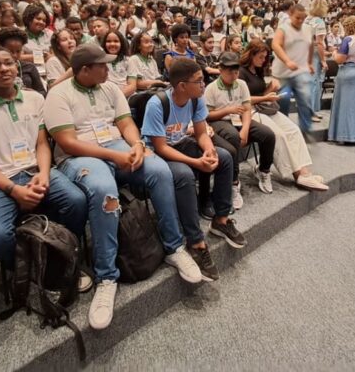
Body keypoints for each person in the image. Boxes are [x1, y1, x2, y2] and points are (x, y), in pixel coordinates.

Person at [44, 45, 201, 330]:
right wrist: (115, 156)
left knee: (159, 170)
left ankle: (174, 247)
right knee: (104, 190)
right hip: (78, 156)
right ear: (84, 70)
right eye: (102, 66)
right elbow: (68, 142)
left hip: (115, 145)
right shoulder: (58, 94)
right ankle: (107, 276)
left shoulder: (110, 89)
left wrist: (137, 144)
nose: (109, 69)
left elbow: (126, 123)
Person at [0, 47, 88, 284]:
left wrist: (44, 174)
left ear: (17, 66)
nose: (4, 69)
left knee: (76, 201)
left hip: (34, 170)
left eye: (8, 63)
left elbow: (41, 144)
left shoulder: (35, 99)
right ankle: (28, 268)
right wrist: (14, 190)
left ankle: (62, 256)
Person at [142, 58, 246, 281]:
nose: (203, 85)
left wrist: (209, 150)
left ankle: (221, 220)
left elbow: (200, 133)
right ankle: (195, 241)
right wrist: (196, 162)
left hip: (181, 143)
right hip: (159, 153)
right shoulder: (157, 104)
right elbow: (160, 147)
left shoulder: (196, 99)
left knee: (224, 157)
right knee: (184, 174)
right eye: (198, 81)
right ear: (182, 85)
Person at [239, 40, 326, 191]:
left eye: (265, 57)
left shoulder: (258, 70)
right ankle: (298, 175)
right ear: (251, 55)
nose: (263, 60)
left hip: (263, 107)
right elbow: (242, 99)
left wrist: (271, 89)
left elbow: (260, 93)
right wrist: (265, 98)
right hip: (249, 111)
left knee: (293, 129)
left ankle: (304, 171)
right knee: (279, 134)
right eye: (260, 57)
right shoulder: (241, 72)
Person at [204, 52, 276, 206]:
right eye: (230, 71)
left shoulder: (241, 84)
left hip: (239, 119)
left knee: (268, 134)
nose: (234, 75)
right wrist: (227, 110)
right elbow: (208, 115)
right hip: (219, 121)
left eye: (236, 71)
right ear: (221, 69)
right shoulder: (211, 88)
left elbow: (247, 109)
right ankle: (234, 181)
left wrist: (245, 129)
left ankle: (263, 170)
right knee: (233, 136)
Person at [271, 4, 315, 134]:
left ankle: (305, 131)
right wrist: (287, 61)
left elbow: (311, 46)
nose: (300, 21)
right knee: (283, 100)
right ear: (290, 15)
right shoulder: (283, 29)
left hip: (301, 71)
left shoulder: (308, 29)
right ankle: (284, 129)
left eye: (303, 18)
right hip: (283, 73)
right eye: (297, 18)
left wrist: (310, 62)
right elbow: (276, 45)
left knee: (305, 99)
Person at [0, 28, 46, 96]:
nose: (14, 55)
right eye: (10, 51)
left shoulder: (29, 67)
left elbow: (42, 92)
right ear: (0, 48)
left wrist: (33, 93)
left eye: (18, 51)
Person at [307, 0, 329, 121]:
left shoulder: (307, 19)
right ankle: (310, 112)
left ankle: (312, 111)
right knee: (314, 84)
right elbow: (319, 42)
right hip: (315, 53)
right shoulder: (319, 22)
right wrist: (323, 60)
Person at [103, 30, 135, 97]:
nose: (112, 44)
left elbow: (132, 86)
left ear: (122, 43)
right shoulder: (100, 62)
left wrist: (118, 97)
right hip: (107, 96)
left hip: (126, 95)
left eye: (116, 41)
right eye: (108, 41)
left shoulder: (128, 60)